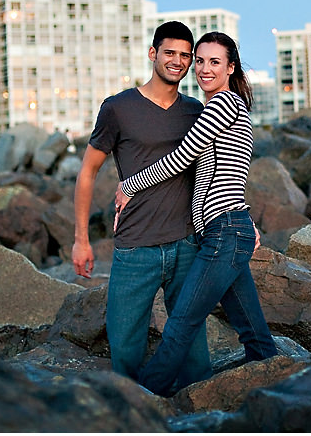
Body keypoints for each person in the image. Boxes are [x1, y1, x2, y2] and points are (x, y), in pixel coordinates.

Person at [115, 31, 278, 396]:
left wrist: (129, 185)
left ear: (230, 67)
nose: (204, 69)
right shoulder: (230, 107)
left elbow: (181, 158)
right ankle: (280, 397)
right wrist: (243, 219)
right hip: (228, 232)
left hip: (224, 235)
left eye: (214, 62)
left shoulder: (222, 105)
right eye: (200, 61)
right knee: (253, 332)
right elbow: (226, 175)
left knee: (181, 324)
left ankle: (139, 402)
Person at [73, 21, 212, 389]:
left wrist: (240, 220)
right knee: (125, 353)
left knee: (195, 357)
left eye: (186, 56)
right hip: (135, 249)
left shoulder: (197, 110)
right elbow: (87, 172)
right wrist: (81, 240)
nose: (178, 61)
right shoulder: (118, 108)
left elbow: (216, 172)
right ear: (153, 54)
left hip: (186, 245)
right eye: (170, 53)